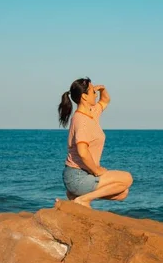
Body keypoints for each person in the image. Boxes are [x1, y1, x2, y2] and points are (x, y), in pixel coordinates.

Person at [57, 77, 133, 208]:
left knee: (122, 192)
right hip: (78, 176)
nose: (96, 94)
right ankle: (83, 199)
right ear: (84, 97)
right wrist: (97, 171)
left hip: (81, 174)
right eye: (93, 92)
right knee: (127, 178)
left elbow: (105, 100)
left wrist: (101, 88)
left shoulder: (92, 113)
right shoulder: (82, 120)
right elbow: (83, 152)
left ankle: (75, 197)